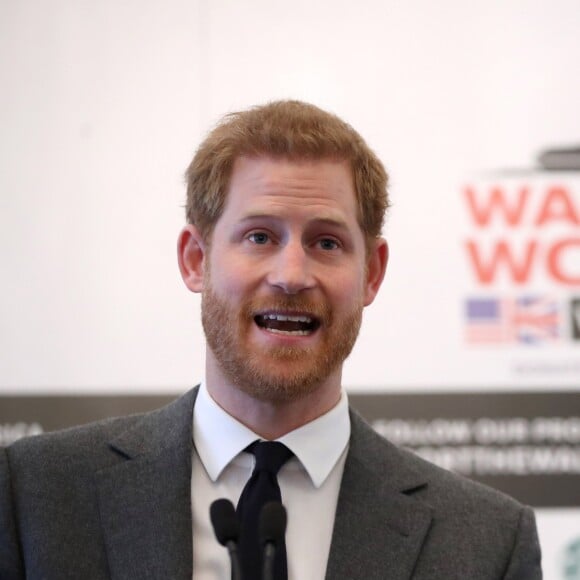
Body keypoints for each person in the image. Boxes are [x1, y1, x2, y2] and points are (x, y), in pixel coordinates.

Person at [0, 100, 541, 579]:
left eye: (326, 242)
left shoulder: (487, 542)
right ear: (196, 259)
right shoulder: (36, 495)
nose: (291, 274)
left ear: (372, 273)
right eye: (259, 236)